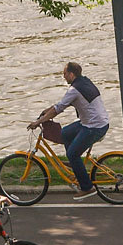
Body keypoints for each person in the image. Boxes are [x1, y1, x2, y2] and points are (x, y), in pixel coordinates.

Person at [28, 62, 110, 199]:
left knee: (72, 154)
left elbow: (58, 109)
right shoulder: (84, 82)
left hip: (94, 127)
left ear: (72, 74)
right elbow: (61, 105)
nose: (64, 76)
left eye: (65, 74)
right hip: (95, 122)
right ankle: (75, 165)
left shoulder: (74, 90)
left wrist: (38, 122)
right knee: (65, 133)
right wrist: (45, 111)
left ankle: (87, 187)